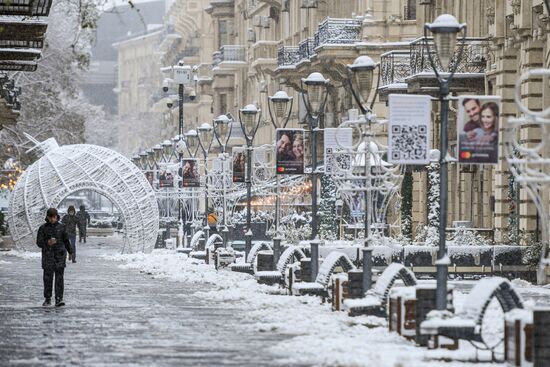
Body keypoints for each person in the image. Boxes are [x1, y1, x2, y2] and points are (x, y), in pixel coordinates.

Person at [36, 208, 73, 307]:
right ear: (47, 217)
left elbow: (66, 240)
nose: (53, 219)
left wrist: (70, 252)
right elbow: (38, 242)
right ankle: (47, 298)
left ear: (57, 217)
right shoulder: (43, 228)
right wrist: (47, 243)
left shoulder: (62, 227)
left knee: (59, 278)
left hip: (59, 256)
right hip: (48, 257)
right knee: (48, 278)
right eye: (51, 217)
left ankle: (59, 299)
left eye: (54, 217)